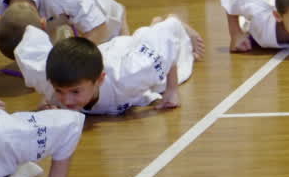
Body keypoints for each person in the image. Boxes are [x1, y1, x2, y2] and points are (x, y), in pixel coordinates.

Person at [14, 15, 205, 115]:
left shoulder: (132, 74)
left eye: (74, 92)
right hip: (100, 55)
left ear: (100, 80)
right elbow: (30, 40)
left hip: (126, 53)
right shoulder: (47, 78)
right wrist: (48, 99)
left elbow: (168, 46)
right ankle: (151, 26)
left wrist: (172, 90)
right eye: (60, 91)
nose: (67, 100)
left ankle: (168, 21)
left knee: (172, 63)